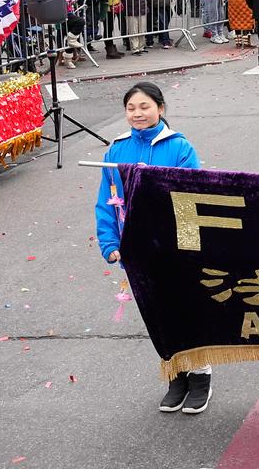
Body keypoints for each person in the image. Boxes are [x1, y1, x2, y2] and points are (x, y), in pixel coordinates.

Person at [93, 82, 209, 413]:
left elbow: (192, 197)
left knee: (187, 312)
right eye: (131, 108)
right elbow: (107, 201)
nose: (137, 114)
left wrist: (187, 246)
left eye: (144, 107)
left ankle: (201, 376)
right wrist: (110, 243)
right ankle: (177, 375)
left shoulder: (179, 147)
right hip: (138, 252)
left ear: (160, 108)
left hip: (174, 249)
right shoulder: (116, 150)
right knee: (158, 316)